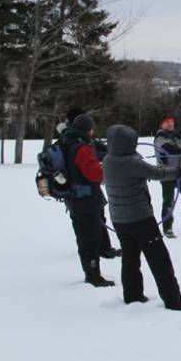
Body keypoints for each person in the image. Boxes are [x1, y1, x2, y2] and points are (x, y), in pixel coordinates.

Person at [103, 124, 181, 310]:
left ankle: (132, 295)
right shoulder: (131, 162)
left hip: (120, 220)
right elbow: (157, 173)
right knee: (159, 260)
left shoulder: (108, 160)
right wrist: (179, 173)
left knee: (130, 258)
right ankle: (173, 301)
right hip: (140, 219)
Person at [56, 106, 121, 259]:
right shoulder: (77, 141)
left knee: (91, 219)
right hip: (83, 190)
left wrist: (114, 152)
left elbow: (98, 147)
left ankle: (101, 248)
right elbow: (90, 156)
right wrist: (112, 161)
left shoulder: (72, 137)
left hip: (76, 190)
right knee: (91, 222)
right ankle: (97, 255)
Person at [60, 114, 115, 287]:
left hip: (73, 198)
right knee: (90, 238)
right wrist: (108, 169)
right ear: (88, 129)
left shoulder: (67, 142)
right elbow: (94, 174)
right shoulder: (81, 147)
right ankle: (93, 275)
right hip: (85, 199)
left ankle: (91, 271)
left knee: (84, 236)